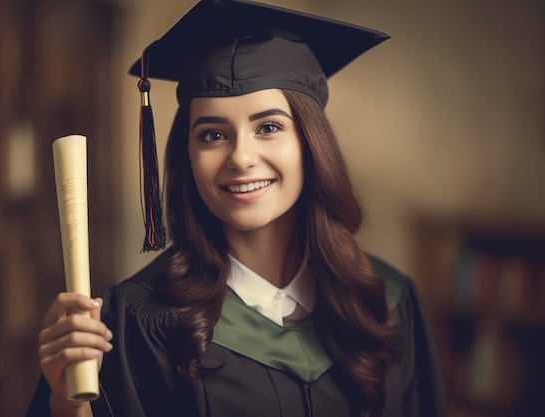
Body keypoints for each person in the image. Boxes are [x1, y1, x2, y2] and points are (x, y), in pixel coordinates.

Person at [26, 0, 447, 416]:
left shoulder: (386, 302)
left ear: (311, 144)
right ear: (186, 157)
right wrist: (66, 403)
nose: (240, 158)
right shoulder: (139, 320)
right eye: (212, 135)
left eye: (268, 127)